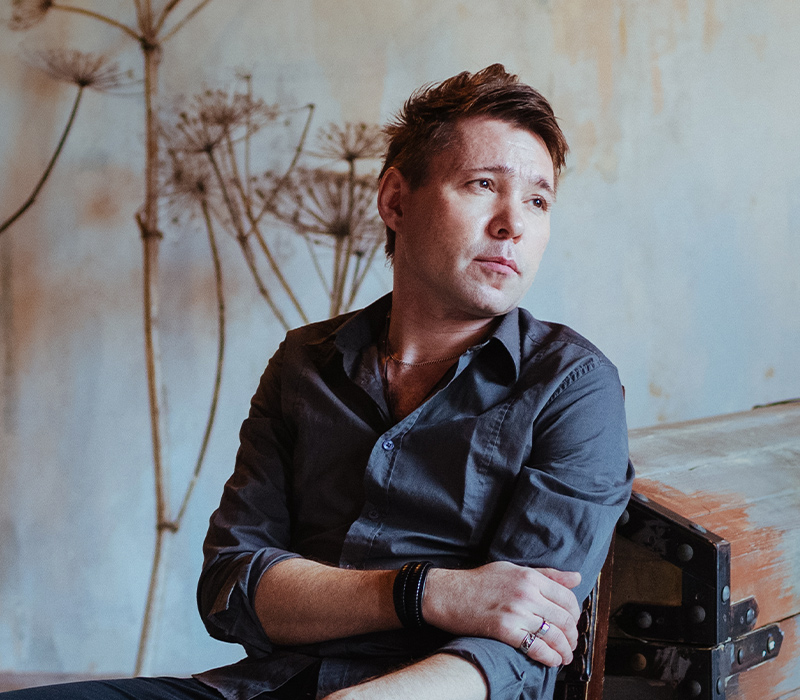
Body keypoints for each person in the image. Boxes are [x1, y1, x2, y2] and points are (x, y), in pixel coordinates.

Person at [2, 64, 633, 700]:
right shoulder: (306, 363)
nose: (512, 224)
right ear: (395, 201)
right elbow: (232, 587)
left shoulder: (573, 386)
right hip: (267, 687)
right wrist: (428, 591)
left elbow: (524, 643)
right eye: (482, 185)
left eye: (538, 201)